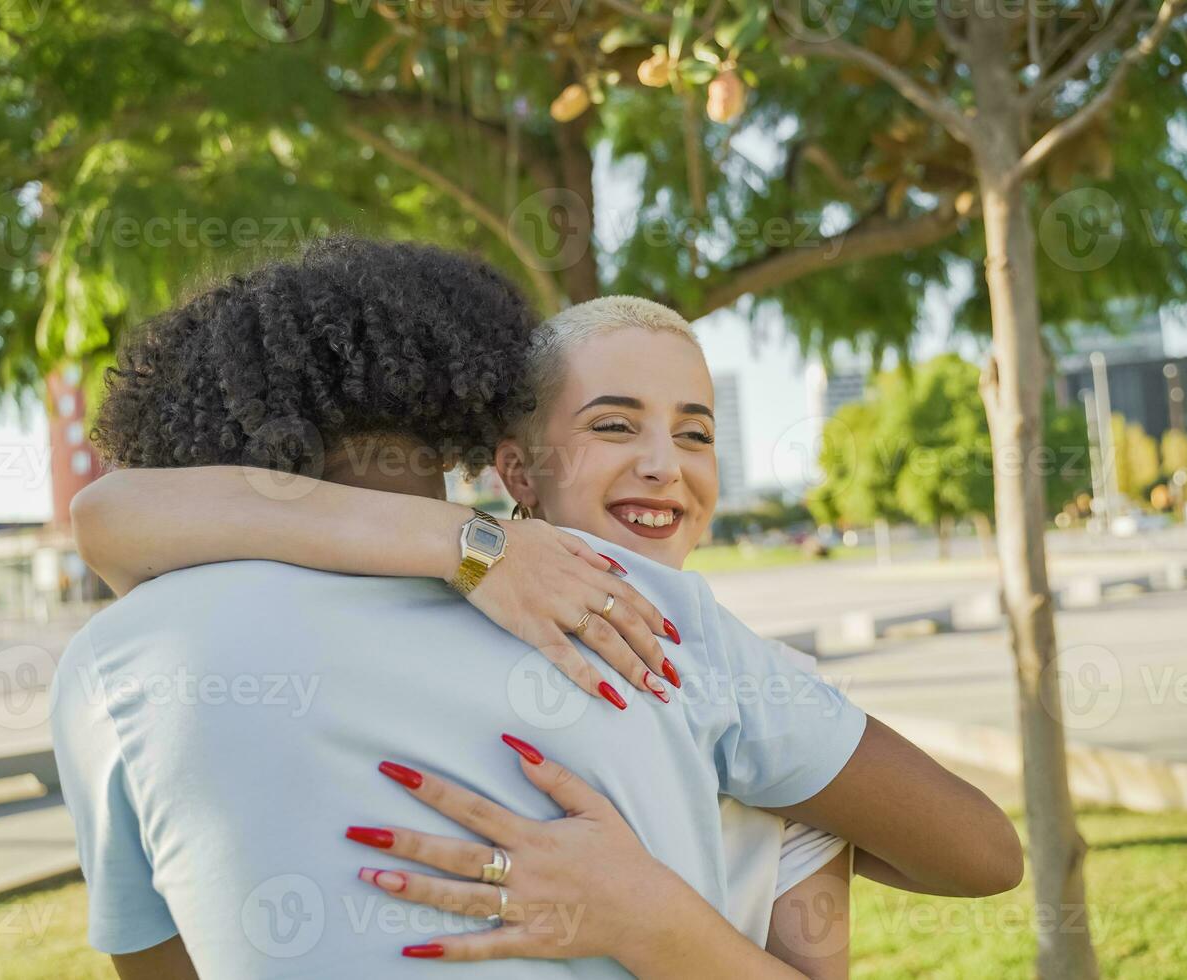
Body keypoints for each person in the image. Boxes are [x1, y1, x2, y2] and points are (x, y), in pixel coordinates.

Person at [55, 237, 1021, 979]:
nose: (660, 463)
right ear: (471, 422)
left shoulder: (112, 666)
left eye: (695, 432)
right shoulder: (635, 614)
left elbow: (108, 513)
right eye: (613, 426)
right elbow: (983, 852)